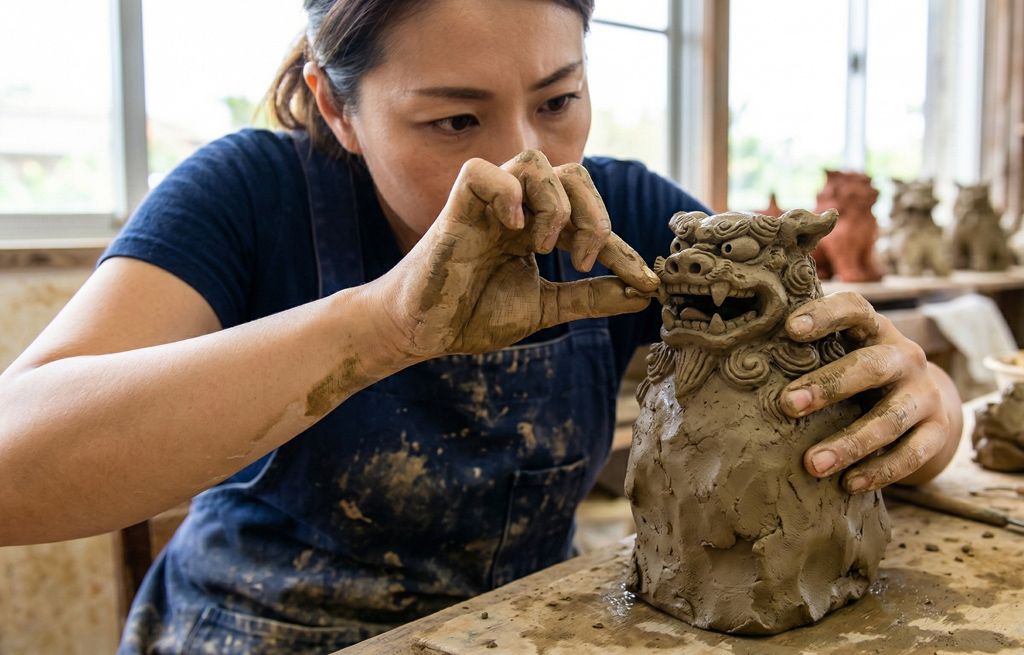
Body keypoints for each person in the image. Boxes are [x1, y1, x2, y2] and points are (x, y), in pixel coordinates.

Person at [0, 0, 963, 652]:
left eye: (559, 100)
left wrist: (920, 406)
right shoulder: (250, 194)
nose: (525, 165)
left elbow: (825, 383)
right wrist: (381, 327)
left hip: (513, 627)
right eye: (455, 122)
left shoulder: (622, 210)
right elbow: (13, 467)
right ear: (338, 107)